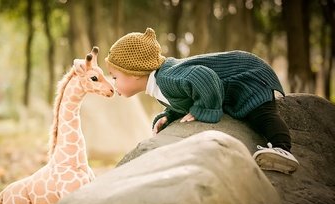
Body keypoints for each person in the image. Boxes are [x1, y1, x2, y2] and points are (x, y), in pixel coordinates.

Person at [104, 27, 299, 174]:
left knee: (262, 114)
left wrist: (204, 110)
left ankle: (282, 149)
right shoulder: (159, 85)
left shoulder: (167, 78)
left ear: (135, 73)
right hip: (235, 84)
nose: (113, 84)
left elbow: (204, 77)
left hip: (246, 77)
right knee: (257, 115)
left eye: (115, 76)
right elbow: (186, 97)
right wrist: (169, 115)